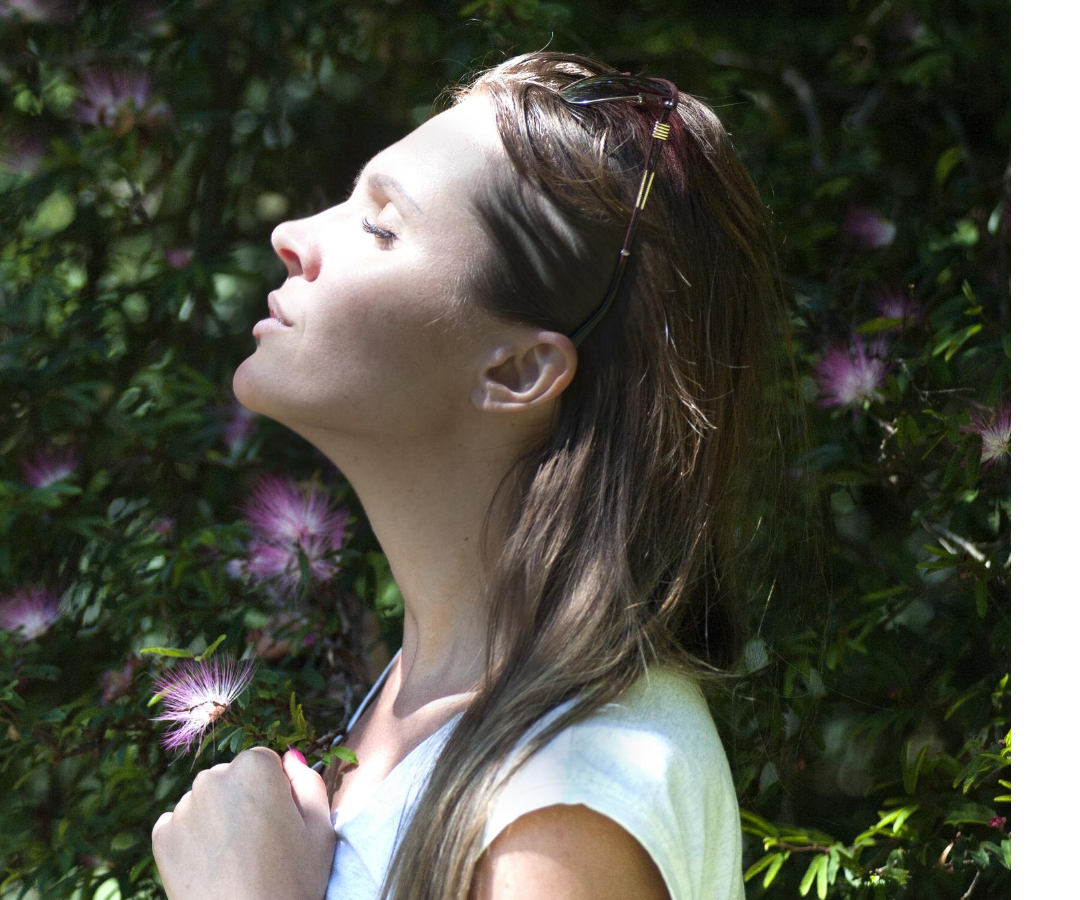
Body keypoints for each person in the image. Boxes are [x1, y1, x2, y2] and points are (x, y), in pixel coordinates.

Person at [152, 49, 794, 900]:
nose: (295, 236)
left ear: (519, 372)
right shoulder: (435, 701)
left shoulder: (566, 804)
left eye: (381, 227)